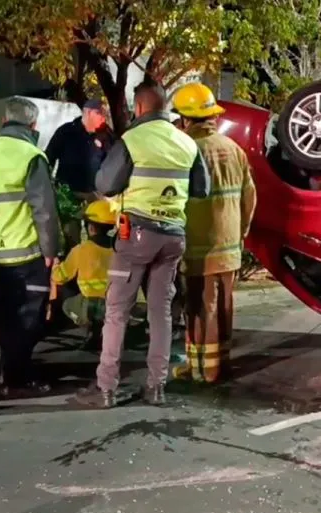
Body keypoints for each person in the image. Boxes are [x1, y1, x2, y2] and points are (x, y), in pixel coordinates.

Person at [74, 82, 209, 409]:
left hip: (135, 235)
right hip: (173, 237)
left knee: (117, 312)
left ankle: (106, 388)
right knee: (161, 313)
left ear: (138, 107)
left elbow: (105, 183)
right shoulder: (187, 143)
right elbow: (202, 189)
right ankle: (156, 387)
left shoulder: (132, 140)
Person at [0, 96, 61, 399]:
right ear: (33, 124)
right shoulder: (31, 156)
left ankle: (7, 370)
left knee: (8, 315)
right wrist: (51, 250)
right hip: (27, 252)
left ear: (4, 121)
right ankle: (16, 378)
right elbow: (44, 210)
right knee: (29, 318)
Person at [170, 82, 257, 384]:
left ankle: (204, 370)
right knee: (223, 307)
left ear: (185, 119)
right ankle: (220, 364)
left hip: (198, 246)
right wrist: (240, 232)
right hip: (229, 246)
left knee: (200, 307)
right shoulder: (234, 149)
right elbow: (249, 197)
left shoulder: (185, 150)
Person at [46, 99, 114, 249]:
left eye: (106, 114)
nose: (104, 118)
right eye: (100, 114)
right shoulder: (66, 132)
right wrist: (50, 186)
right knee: (71, 239)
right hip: (69, 194)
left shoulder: (106, 134)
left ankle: (95, 262)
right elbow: (48, 158)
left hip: (95, 194)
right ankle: (73, 261)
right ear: (88, 112)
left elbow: (114, 163)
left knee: (98, 239)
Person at [51, 199, 115, 349]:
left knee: (67, 301)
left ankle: (88, 324)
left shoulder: (81, 250)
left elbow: (59, 277)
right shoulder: (120, 249)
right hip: (116, 305)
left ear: (90, 227)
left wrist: (55, 266)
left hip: (91, 307)